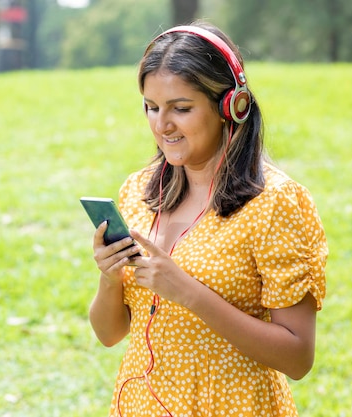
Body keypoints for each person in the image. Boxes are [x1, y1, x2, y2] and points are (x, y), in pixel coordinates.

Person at [88, 21, 328, 417]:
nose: (162, 125)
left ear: (231, 106)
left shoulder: (275, 204)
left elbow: (298, 356)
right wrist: (110, 278)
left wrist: (189, 293)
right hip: (139, 406)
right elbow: (109, 333)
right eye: (151, 107)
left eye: (181, 109)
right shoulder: (139, 192)